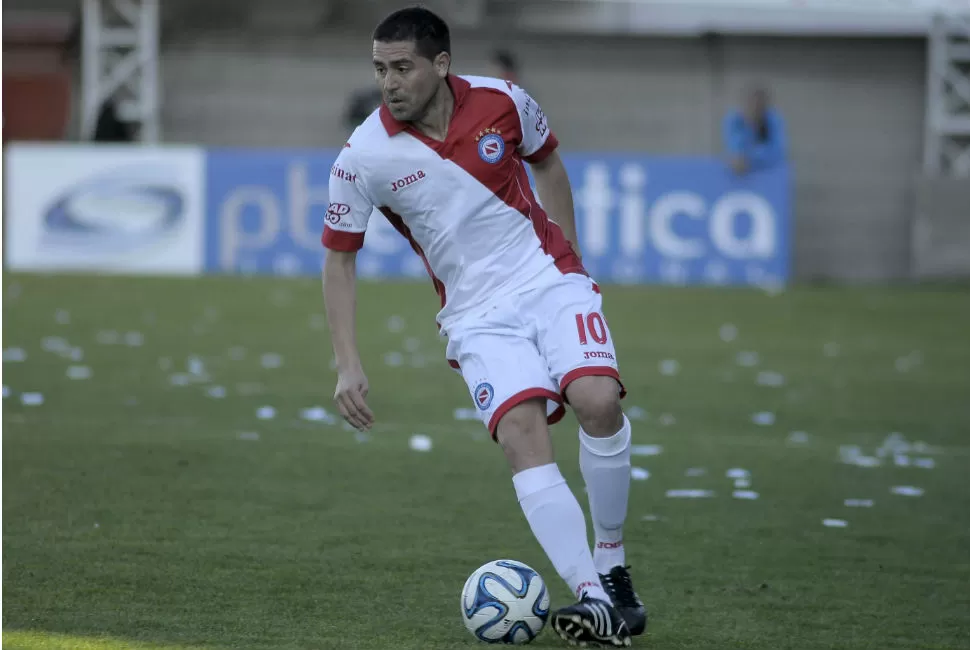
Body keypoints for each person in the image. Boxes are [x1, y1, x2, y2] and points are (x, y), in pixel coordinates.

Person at [321, 7, 645, 646]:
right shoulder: (364, 155)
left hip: (549, 280)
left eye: (403, 67)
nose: (390, 82)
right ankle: (591, 601)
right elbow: (339, 256)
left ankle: (612, 567)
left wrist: (571, 265)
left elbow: (548, 163)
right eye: (380, 69)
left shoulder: (504, 101)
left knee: (598, 402)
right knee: (521, 434)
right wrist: (347, 362)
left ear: (441, 64)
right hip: (474, 315)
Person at [722, 85, 787, 175]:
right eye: (750, 104)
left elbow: (778, 152)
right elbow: (733, 149)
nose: (754, 108)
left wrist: (752, 159)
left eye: (759, 105)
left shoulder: (773, 120)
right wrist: (749, 127)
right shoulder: (734, 120)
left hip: (767, 174)